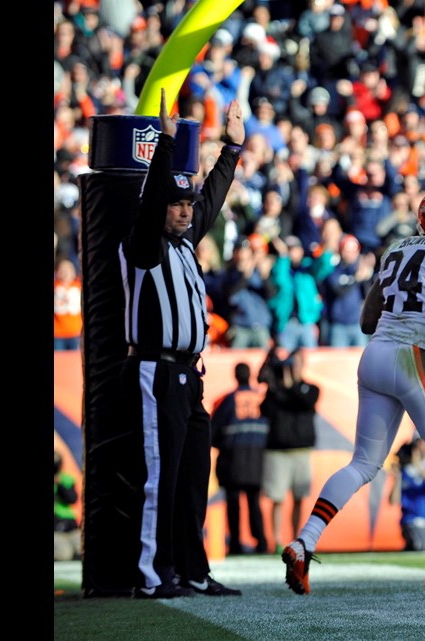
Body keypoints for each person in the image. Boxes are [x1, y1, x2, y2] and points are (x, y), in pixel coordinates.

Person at [282, 186, 425, 594]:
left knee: (362, 464)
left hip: (376, 353)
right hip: (414, 355)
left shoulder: (397, 248)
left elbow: (366, 319)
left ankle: (303, 541)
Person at [118, 89, 242, 598]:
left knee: (193, 478)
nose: (187, 212)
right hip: (156, 369)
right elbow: (149, 207)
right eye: (177, 204)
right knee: (158, 478)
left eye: (188, 204)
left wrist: (231, 149)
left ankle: (192, 569)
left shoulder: (187, 244)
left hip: (190, 375)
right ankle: (151, 574)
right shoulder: (143, 243)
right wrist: (166, 146)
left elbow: (212, 196)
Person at [260, 346, 319, 554]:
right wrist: (276, 385)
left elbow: (305, 403)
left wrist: (290, 385)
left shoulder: (310, 389)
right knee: (277, 498)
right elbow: (264, 410)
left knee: (298, 498)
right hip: (277, 451)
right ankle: (276, 539)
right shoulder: (275, 391)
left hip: (301, 451)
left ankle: (296, 537)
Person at [210, 362, 270, 555]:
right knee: (254, 502)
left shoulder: (227, 399)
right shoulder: (261, 397)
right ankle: (260, 542)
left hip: (232, 456)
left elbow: (213, 430)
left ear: (235, 376)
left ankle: (235, 543)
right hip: (256, 456)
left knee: (233, 502)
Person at [54, 451, 81, 561]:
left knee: (83, 549)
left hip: (71, 527)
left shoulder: (66, 479)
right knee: (64, 554)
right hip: (56, 530)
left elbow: (72, 499)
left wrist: (60, 484)